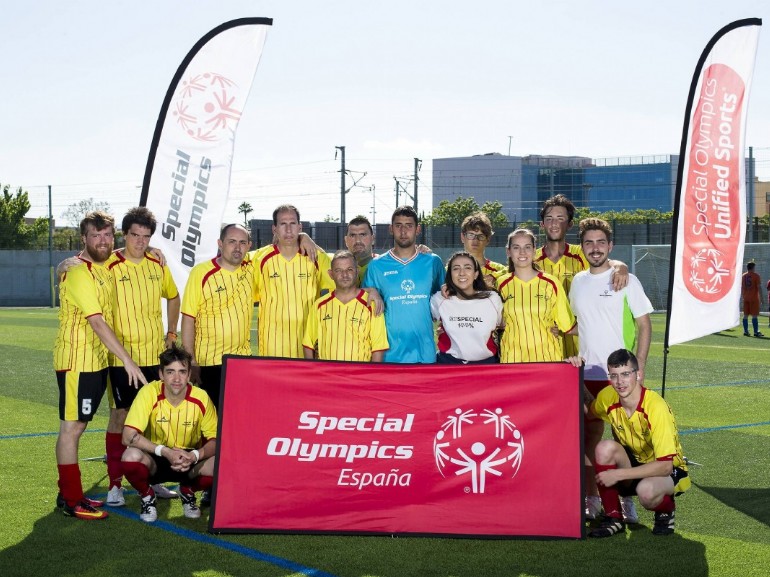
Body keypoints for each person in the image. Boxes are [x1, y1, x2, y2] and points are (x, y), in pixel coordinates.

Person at [53, 211, 147, 520]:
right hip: (77, 362)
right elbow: (96, 322)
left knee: (78, 425)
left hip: (94, 362)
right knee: (73, 428)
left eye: (107, 235)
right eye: (96, 235)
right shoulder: (80, 272)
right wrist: (127, 360)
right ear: (84, 238)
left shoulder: (102, 267)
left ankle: (68, 493)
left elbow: (126, 252)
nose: (103, 241)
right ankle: (71, 500)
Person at [568, 217, 653, 523]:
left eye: (601, 242)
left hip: (620, 375)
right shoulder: (577, 282)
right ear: (582, 247)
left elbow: (644, 325)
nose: (595, 248)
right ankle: (592, 500)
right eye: (589, 242)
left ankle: (625, 502)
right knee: (590, 441)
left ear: (610, 246)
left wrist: (638, 367)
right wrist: (561, 332)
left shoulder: (626, 279)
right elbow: (585, 323)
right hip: (588, 374)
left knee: (624, 442)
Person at [102, 207, 180, 507]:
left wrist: (171, 332)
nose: (140, 242)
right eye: (135, 235)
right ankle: (114, 484)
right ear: (125, 235)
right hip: (121, 358)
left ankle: (154, 479)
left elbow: (173, 297)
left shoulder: (157, 264)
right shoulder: (109, 265)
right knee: (121, 417)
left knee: (155, 418)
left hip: (153, 355)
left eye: (146, 237)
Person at [586, 349, 690, 538]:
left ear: (638, 374)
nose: (620, 382)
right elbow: (589, 412)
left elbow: (665, 466)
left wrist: (618, 473)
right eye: (614, 376)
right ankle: (613, 517)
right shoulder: (607, 396)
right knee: (603, 448)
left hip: (667, 469)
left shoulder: (656, 407)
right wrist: (573, 377)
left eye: (626, 374)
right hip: (632, 462)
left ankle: (666, 509)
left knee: (647, 492)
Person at [121, 345, 217, 523]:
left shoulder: (201, 397)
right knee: (130, 456)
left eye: (182, 372)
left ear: (189, 375)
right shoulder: (149, 392)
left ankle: (188, 492)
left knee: (222, 464)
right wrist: (165, 452)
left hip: (188, 461)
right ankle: (147, 495)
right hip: (155, 457)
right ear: (161, 374)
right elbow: (128, 436)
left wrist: (194, 455)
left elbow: (216, 440)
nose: (177, 378)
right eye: (170, 372)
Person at [534, 194, 628, 357]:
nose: (554, 223)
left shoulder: (582, 253)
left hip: (581, 335)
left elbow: (606, 262)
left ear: (570, 224)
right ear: (542, 224)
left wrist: (621, 267)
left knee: (582, 380)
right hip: (546, 336)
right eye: (549, 218)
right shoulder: (532, 259)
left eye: (560, 218)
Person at [181, 223, 254, 411]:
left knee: (238, 418)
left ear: (249, 246)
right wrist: (191, 361)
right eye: (231, 242)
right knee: (210, 424)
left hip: (241, 362)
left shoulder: (252, 269)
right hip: (209, 363)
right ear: (220, 243)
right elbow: (189, 318)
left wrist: (305, 236)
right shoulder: (202, 272)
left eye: (242, 242)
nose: (237, 248)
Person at [363, 206, 445, 363]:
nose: (403, 230)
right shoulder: (376, 265)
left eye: (409, 225)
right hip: (390, 355)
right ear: (391, 229)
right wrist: (369, 290)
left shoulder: (432, 262)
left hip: (425, 353)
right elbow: (362, 300)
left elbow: (445, 297)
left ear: (418, 229)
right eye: (398, 225)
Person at [251, 205, 334, 358]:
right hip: (272, 347)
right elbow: (231, 262)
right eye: (283, 224)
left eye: (293, 224)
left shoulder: (316, 257)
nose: (288, 230)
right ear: (274, 229)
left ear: (300, 226)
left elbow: (346, 272)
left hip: (308, 346)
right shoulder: (259, 259)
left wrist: (371, 291)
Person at [496, 228, 575, 363]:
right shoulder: (500, 284)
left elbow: (568, 325)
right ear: (508, 252)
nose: (522, 252)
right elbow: (494, 322)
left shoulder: (551, 283)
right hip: (512, 360)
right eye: (516, 247)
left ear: (534, 251)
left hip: (548, 359)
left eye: (527, 247)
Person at [303, 250, 389, 361]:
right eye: (338, 270)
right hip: (328, 375)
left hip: (359, 376)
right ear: (331, 274)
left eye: (350, 269)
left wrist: (371, 376)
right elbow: (308, 344)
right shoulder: (320, 305)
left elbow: (378, 347)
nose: (344, 275)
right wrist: (312, 373)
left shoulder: (371, 303)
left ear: (357, 271)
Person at [430, 251, 503, 364]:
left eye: (467, 268)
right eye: (456, 268)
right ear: (450, 275)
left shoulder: (492, 299)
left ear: (476, 274)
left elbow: (503, 325)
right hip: (448, 364)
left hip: (486, 366)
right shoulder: (440, 299)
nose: (461, 273)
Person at [459, 212, 506, 287]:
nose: (475, 240)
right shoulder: (449, 270)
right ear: (462, 237)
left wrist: (495, 276)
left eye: (481, 236)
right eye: (471, 235)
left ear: (488, 239)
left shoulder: (499, 270)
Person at [741, 262, 764, 337]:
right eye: (754, 267)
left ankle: (745, 331)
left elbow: (741, 287)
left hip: (745, 298)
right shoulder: (756, 276)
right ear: (752, 268)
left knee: (745, 315)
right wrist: (762, 298)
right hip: (753, 298)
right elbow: (759, 287)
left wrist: (742, 296)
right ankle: (756, 332)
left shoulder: (743, 276)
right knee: (754, 316)